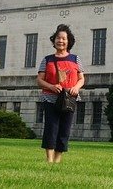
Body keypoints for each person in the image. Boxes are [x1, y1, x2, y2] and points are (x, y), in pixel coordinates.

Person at [36, 24, 85, 163]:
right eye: (58, 38)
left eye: (64, 38)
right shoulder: (48, 59)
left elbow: (82, 78)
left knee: (64, 129)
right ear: (54, 40)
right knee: (51, 128)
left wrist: (76, 87)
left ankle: (57, 160)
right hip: (50, 98)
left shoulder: (75, 59)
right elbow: (39, 80)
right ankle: (49, 160)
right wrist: (51, 86)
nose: (60, 41)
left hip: (69, 98)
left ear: (68, 41)